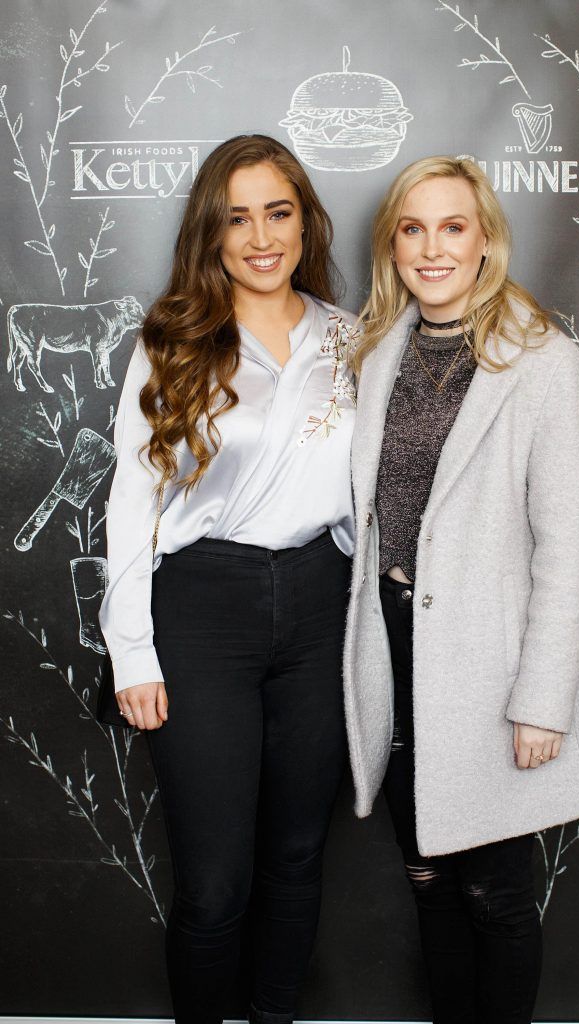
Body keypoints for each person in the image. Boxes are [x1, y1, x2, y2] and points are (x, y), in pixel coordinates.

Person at [343, 156, 579, 1024]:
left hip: (489, 666)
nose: (432, 248)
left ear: (485, 238)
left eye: (451, 226)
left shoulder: (543, 361)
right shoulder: (375, 354)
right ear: (393, 243)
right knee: (426, 876)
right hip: (392, 645)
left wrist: (543, 701)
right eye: (412, 228)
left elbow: (567, 548)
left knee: (493, 892)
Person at [99, 134, 358, 1024]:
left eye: (277, 212)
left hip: (323, 604)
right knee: (214, 881)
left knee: (295, 859)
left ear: (305, 221)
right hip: (202, 610)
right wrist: (132, 650)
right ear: (210, 233)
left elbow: (367, 495)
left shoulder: (350, 340)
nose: (260, 236)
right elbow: (133, 501)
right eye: (236, 216)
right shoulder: (171, 340)